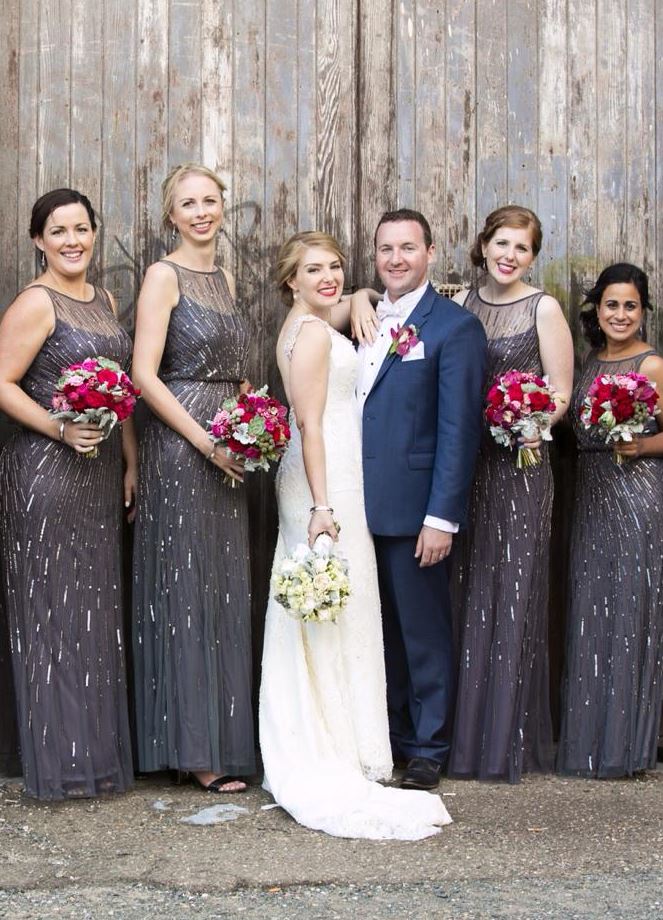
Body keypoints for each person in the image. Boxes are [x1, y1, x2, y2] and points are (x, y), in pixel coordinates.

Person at [259, 230, 452, 839]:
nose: (329, 278)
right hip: (327, 482)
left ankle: (337, 734)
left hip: (326, 478)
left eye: (336, 267)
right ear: (290, 280)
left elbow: (352, 300)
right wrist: (322, 506)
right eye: (313, 270)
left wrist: (364, 291)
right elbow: (311, 425)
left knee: (332, 610)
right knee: (342, 607)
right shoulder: (314, 333)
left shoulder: (304, 320)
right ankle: (344, 749)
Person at [0, 188, 135, 799]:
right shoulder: (36, 302)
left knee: (92, 611)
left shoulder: (104, 300)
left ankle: (93, 759)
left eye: (81, 229)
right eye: (59, 232)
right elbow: (1, 382)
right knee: (53, 614)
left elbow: (124, 391)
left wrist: (130, 462)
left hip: (99, 472)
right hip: (46, 473)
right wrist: (57, 426)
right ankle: (60, 762)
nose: (73, 240)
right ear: (38, 241)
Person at [132, 164, 254, 792]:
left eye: (210, 200)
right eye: (189, 203)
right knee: (183, 589)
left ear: (222, 208)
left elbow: (226, 366)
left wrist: (248, 414)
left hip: (227, 448)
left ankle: (222, 735)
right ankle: (193, 749)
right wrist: (206, 441)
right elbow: (145, 375)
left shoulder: (226, 277)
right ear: (171, 216)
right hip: (182, 448)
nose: (201, 212)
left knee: (220, 587)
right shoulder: (163, 275)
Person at [355, 209, 487, 792]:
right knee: (376, 633)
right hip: (358, 508)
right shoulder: (366, 318)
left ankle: (428, 747)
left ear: (430, 252)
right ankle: (390, 735)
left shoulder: (453, 328)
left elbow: (459, 432)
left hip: (416, 513)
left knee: (423, 633)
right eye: (386, 249)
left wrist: (441, 517)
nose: (396, 259)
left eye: (408, 248)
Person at [447, 205, 573, 782]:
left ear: (532, 256)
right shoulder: (463, 305)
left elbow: (562, 395)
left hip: (522, 466)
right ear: (484, 244)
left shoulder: (543, 308)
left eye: (521, 248)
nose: (509, 255)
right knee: (468, 588)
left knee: (514, 589)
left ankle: (506, 740)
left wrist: (526, 422)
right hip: (470, 467)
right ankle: (465, 737)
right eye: (502, 243)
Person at [557, 263, 663, 777]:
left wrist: (643, 443)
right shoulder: (586, 364)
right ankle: (587, 743)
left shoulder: (651, 366)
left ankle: (627, 746)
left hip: (637, 493)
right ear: (596, 310)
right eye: (611, 305)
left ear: (643, 311)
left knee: (629, 610)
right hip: (592, 494)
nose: (620, 315)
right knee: (589, 608)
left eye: (631, 306)